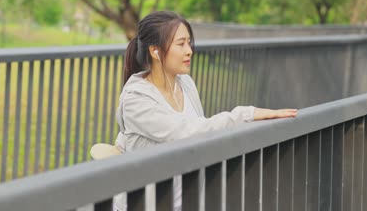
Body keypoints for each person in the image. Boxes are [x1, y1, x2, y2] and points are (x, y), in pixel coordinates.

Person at [113, 11, 297, 210]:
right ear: (155, 51)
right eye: (181, 44)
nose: (189, 50)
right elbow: (185, 133)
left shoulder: (185, 84)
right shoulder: (136, 99)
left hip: (188, 199)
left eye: (189, 42)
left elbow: (201, 135)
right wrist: (246, 114)